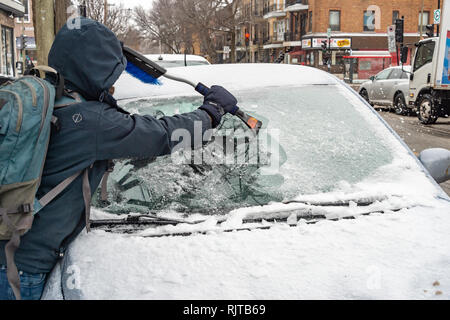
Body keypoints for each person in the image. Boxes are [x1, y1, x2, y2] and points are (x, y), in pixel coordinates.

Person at [0, 18, 237, 300]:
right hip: (23, 270)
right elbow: (161, 135)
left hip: (10, 253)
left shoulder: (50, 96)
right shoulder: (91, 121)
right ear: (97, 68)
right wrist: (210, 113)